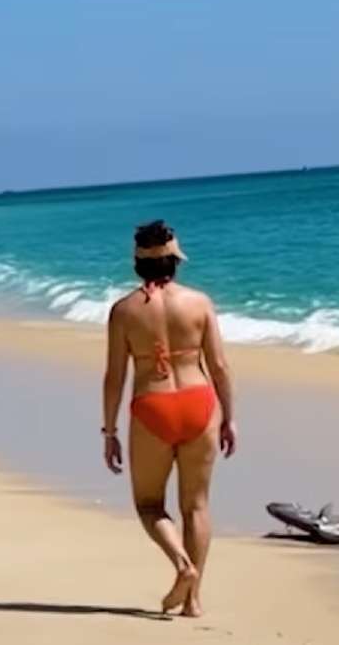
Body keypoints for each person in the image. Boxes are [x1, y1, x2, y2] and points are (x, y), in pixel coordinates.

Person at [101, 220, 237, 617]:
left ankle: (181, 564)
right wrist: (230, 418)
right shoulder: (199, 303)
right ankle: (193, 602)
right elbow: (221, 366)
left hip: (152, 408)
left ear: (137, 264)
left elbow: (115, 376)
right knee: (196, 505)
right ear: (175, 261)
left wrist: (109, 431)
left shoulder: (123, 311)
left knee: (148, 505)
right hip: (199, 403)